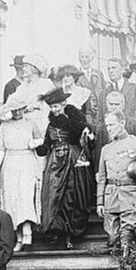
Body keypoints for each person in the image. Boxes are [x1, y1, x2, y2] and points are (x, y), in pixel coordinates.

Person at [35, 87, 93, 249]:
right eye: (52, 107)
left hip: (73, 161)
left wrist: (88, 135)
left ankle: (69, 234)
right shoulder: (50, 125)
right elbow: (45, 147)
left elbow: (87, 141)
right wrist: (35, 145)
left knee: (71, 195)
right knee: (53, 195)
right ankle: (57, 232)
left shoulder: (76, 121)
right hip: (55, 164)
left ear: (64, 104)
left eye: (56, 107)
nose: (54, 110)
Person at [96, 106, 136, 258]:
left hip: (130, 194)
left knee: (127, 235)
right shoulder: (106, 149)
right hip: (111, 197)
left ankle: (126, 266)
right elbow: (102, 177)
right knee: (112, 237)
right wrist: (100, 202)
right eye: (107, 125)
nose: (109, 129)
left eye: (112, 125)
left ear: (122, 123)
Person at [0, 91, 43, 252]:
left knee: (26, 196)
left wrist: (35, 142)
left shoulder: (31, 123)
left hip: (27, 161)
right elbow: (0, 148)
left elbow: (42, 139)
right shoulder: (4, 126)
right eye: (15, 110)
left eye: (20, 109)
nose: (18, 112)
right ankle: (18, 237)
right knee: (12, 198)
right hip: (10, 163)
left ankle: (27, 233)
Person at [0, 54, 54, 133]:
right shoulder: (22, 88)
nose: (23, 69)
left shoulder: (46, 85)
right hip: (25, 128)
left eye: (26, 66)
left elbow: (52, 107)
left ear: (34, 69)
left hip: (43, 126)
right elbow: (10, 106)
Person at [103, 57, 136, 143]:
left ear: (122, 70)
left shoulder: (135, 88)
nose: (111, 71)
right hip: (112, 139)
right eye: (108, 68)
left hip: (132, 134)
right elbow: (101, 117)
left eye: (114, 67)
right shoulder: (104, 93)